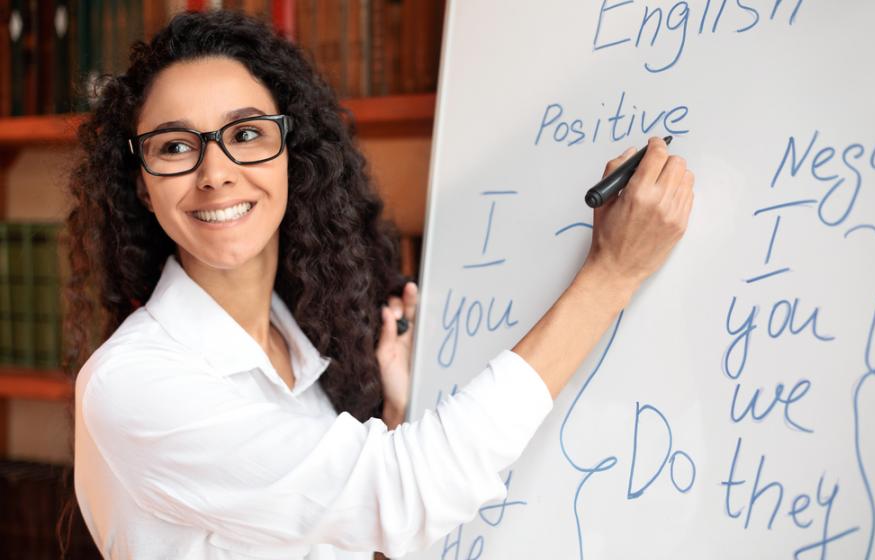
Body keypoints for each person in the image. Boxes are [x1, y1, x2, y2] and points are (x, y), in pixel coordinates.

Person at [63, 9, 694, 560]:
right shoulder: (132, 383)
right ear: (143, 183)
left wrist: (394, 416)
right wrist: (613, 274)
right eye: (175, 147)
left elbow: (361, 532)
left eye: (247, 133)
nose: (217, 174)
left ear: (292, 153)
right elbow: (407, 493)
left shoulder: (299, 349)